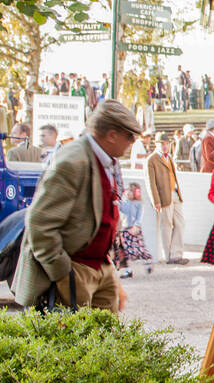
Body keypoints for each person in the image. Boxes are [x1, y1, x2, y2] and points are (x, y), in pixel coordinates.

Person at [11, 99, 142, 312]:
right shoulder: (73, 161)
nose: (132, 142)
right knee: (75, 338)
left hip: (98, 263)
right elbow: (39, 223)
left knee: (105, 338)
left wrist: (107, 270)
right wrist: (63, 272)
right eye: (130, 136)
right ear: (111, 135)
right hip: (75, 266)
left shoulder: (105, 159)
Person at [146, 132, 187, 265]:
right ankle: (168, 254)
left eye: (167, 144)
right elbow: (150, 182)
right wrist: (155, 200)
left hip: (175, 193)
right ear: (156, 144)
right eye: (162, 144)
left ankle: (177, 253)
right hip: (164, 195)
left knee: (180, 223)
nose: (165, 146)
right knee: (166, 225)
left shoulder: (169, 157)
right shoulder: (151, 160)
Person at [115, 181, 153, 278]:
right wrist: (117, 202)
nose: (128, 193)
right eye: (127, 191)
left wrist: (137, 225)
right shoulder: (125, 203)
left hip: (134, 230)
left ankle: (148, 262)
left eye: (130, 191)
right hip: (125, 230)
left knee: (139, 249)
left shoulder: (139, 204)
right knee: (125, 251)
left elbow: (139, 216)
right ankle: (128, 270)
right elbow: (121, 208)